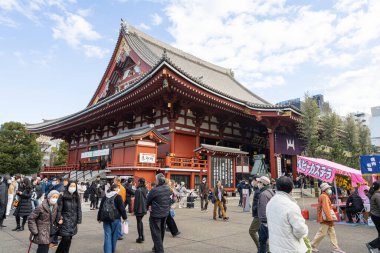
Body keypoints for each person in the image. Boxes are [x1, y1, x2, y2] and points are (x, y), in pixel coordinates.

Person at [267, 176, 308, 253]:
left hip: (275, 247)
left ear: (276, 187)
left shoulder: (270, 202)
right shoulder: (291, 205)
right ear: (291, 189)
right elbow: (300, 230)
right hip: (290, 248)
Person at [311, 182, 345, 253]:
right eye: (328, 188)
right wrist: (330, 218)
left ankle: (336, 248)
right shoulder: (324, 196)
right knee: (322, 233)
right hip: (326, 218)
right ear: (325, 189)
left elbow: (325, 207)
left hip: (325, 217)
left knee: (331, 233)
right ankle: (312, 245)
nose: (330, 189)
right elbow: (326, 208)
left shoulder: (323, 196)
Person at [98, 183, 127, 253]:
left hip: (105, 218)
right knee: (114, 236)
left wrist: (99, 218)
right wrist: (124, 217)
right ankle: (112, 249)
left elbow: (101, 208)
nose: (118, 189)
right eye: (118, 188)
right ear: (115, 189)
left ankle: (108, 251)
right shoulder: (118, 197)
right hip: (116, 219)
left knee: (107, 236)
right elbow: (122, 209)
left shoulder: (105, 197)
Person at [147, 173, 171, 253]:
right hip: (165, 212)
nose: (155, 181)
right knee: (161, 231)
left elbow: (147, 200)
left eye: (156, 179)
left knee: (156, 232)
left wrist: (148, 206)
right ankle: (156, 247)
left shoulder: (154, 190)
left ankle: (160, 250)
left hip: (156, 214)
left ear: (158, 180)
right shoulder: (168, 188)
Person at [56, 181, 82, 253]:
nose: (72, 187)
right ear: (68, 186)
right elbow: (59, 209)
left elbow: (79, 208)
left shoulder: (76, 196)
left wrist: (79, 219)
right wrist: (59, 218)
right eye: (71, 186)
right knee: (66, 238)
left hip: (73, 221)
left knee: (69, 239)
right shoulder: (63, 195)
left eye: (74, 186)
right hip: (65, 220)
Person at [257, 176, 274, 253]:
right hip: (271, 220)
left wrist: (263, 222)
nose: (258, 184)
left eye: (259, 182)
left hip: (265, 222)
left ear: (263, 183)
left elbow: (263, 209)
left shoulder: (263, 194)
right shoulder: (270, 191)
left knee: (262, 242)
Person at [366, 181, 380, 252]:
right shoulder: (377, 195)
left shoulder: (373, 194)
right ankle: (371, 245)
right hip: (377, 216)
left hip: (374, 215)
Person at [134, 178, 148, 243]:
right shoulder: (145, 189)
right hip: (144, 208)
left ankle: (140, 237)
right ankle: (142, 236)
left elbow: (136, 201)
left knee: (139, 222)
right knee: (140, 221)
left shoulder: (138, 190)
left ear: (139, 182)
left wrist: (134, 210)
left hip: (139, 208)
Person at [249, 176, 260, 251]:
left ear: (257, 181)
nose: (252, 182)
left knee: (252, 231)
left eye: (253, 180)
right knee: (262, 233)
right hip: (259, 214)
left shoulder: (259, 191)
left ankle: (260, 248)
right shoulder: (257, 189)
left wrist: (255, 209)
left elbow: (260, 203)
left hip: (259, 215)